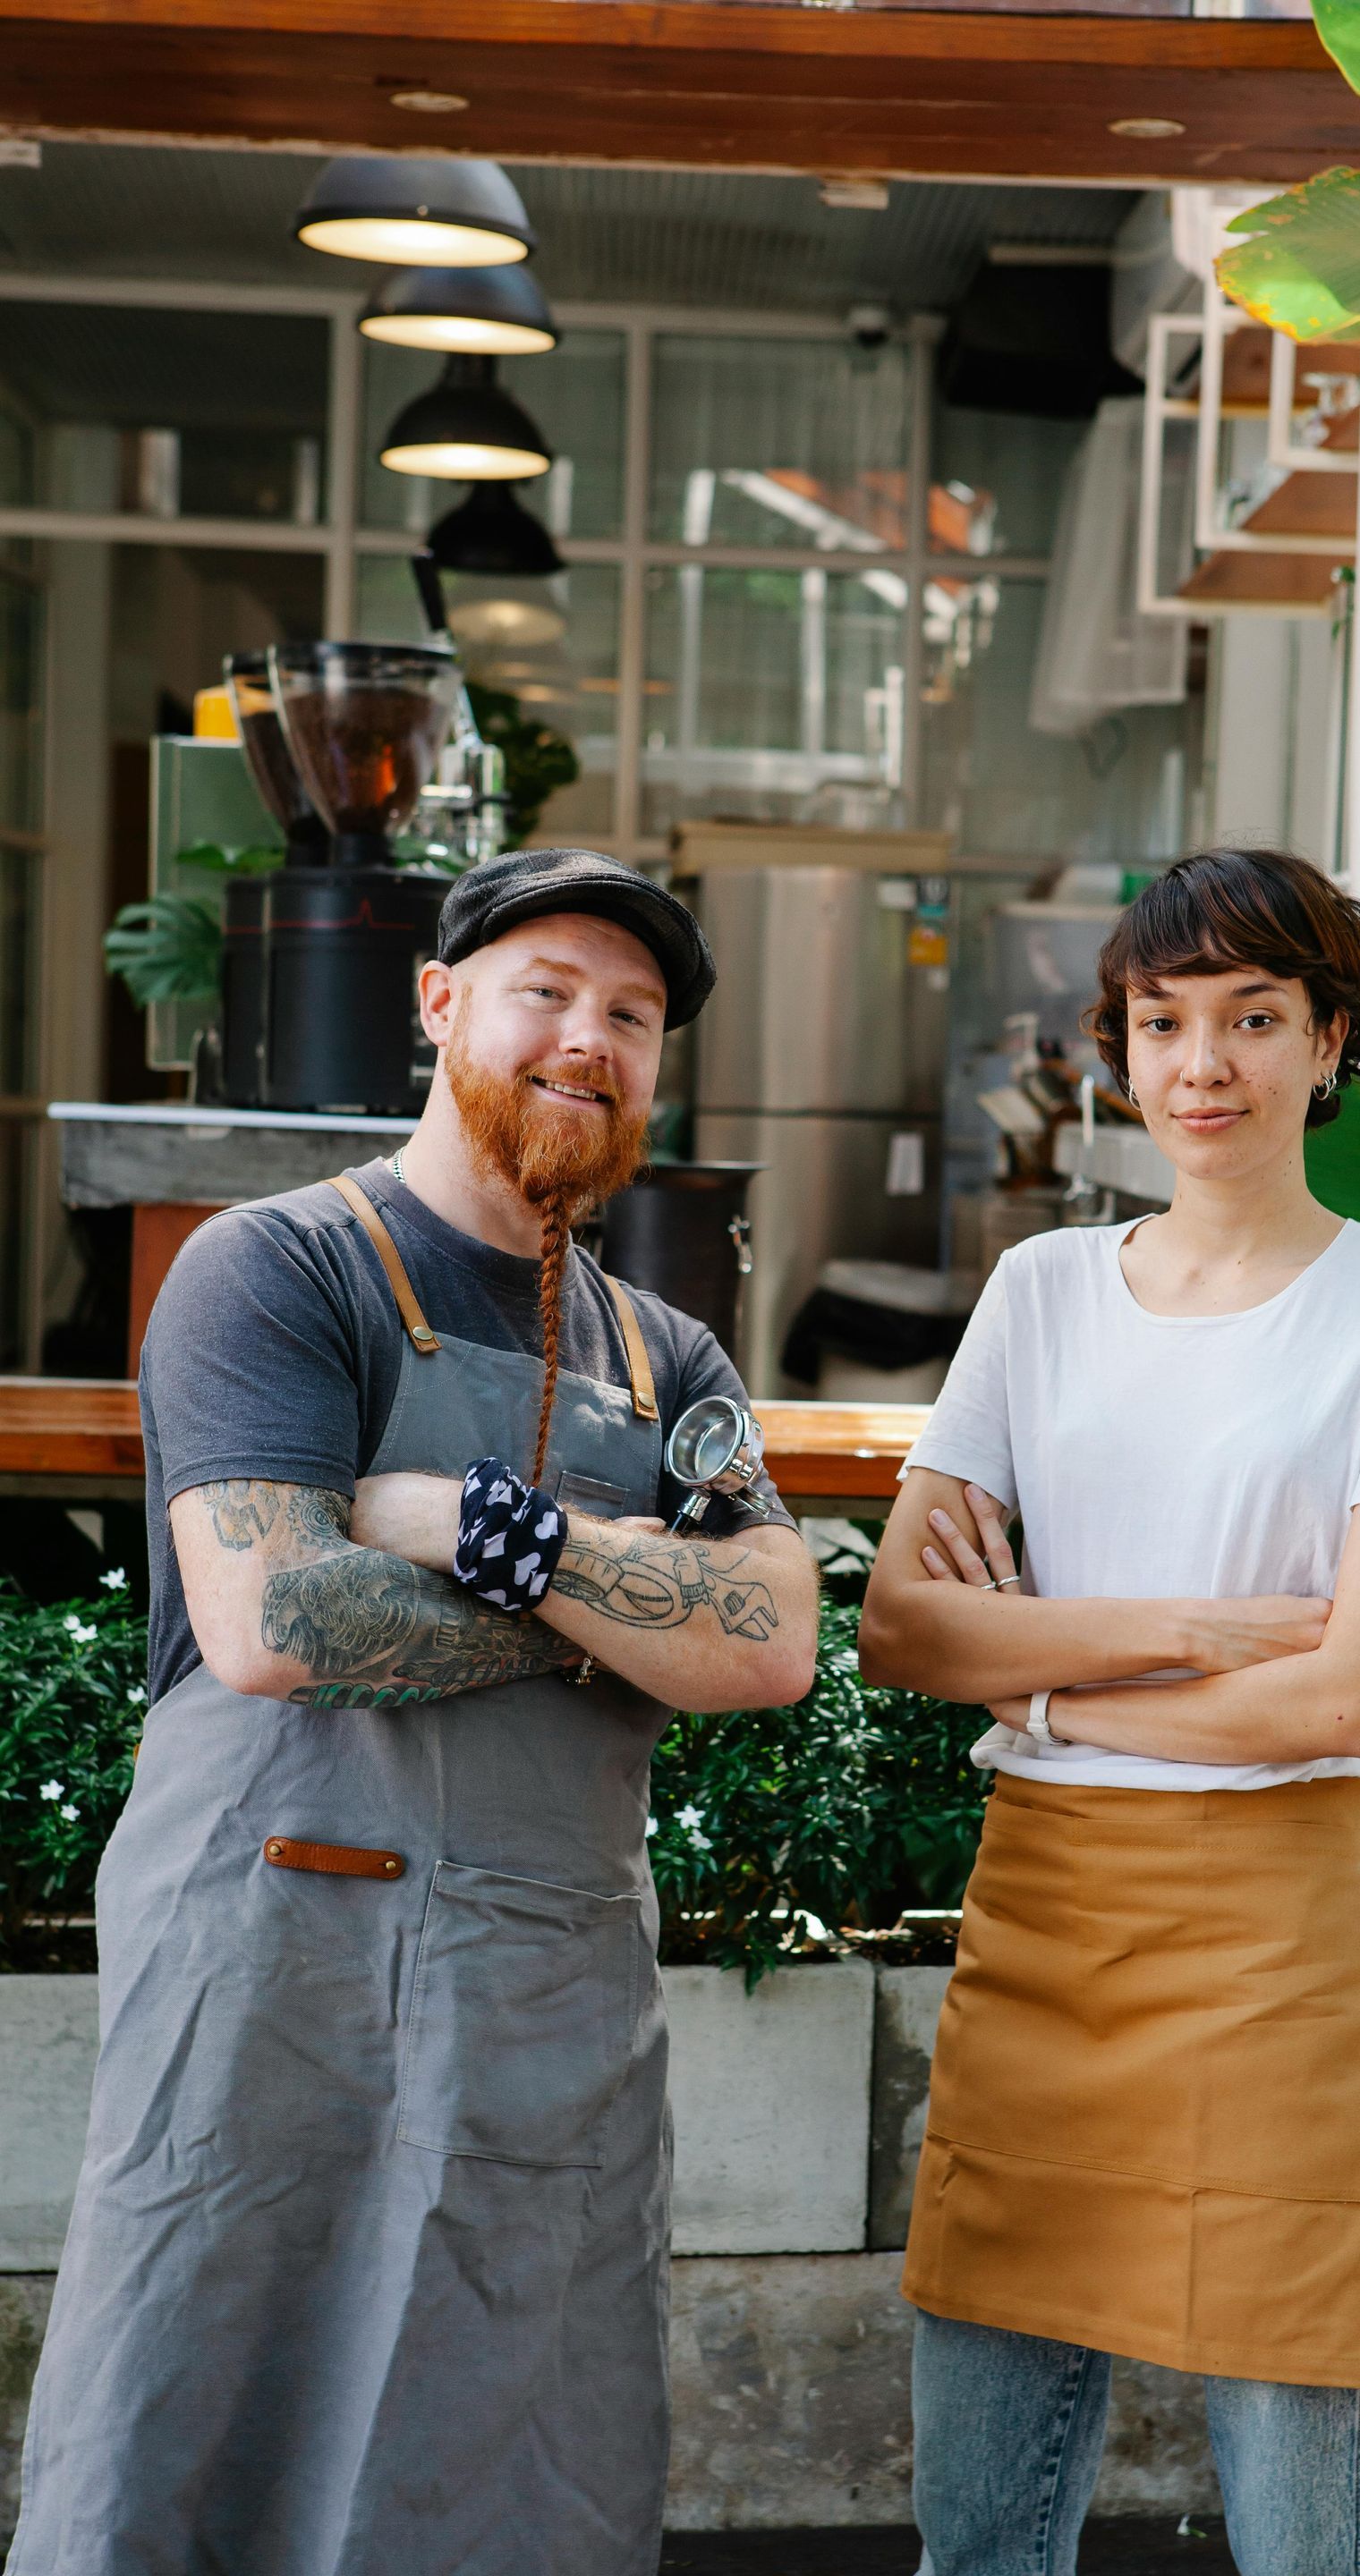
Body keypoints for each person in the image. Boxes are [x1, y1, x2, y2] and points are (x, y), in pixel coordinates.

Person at [9, 848, 819, 2576]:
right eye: (547, 992)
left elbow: (767, 1643)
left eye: (633, 1014)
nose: (587, 1039)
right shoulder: (271, 1270)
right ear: (441, 1004)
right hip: (275, 1970)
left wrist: (487, 1535)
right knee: (193, 2430)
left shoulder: (672, 1356)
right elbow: (279, 1615)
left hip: (547, 1987)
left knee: (517, 2460)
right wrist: (616, 1611)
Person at [858, 847, 1360, 2576]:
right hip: (1043, 1942)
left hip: (1281, 1956)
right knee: (975, 2540)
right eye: (1163, 1021)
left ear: (1331, 1044)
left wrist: (1051, 1677)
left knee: (1306, 2539)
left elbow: (1349, 1691)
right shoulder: (1041, 1293)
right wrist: (1178, 1640)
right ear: (1122, 1044)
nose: (1202, 1065)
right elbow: (905, 1634)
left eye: (1252, 1017)